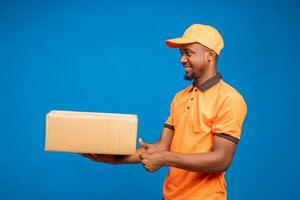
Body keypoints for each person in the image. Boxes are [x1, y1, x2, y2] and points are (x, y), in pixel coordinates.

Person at [81, 24, 247, 200]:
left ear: (210, 55)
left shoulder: (230, 99)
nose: (182, 60)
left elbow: (221, 160)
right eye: (181, 53)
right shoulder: (180, 98)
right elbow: (162, 147)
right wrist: (112, 159)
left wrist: (164, 158)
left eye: (188, 53)